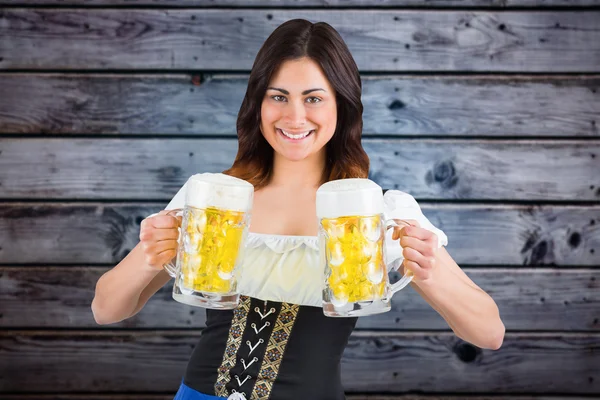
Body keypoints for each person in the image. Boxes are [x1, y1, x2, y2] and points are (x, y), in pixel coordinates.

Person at [91, 19, 505, 400]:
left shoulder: (373, 213)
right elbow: (107, 309)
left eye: (313, 98)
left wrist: (428, 272)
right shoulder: (215, 200)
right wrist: (150, 257)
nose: (294, 116)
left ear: (341, 106)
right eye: (279, 96)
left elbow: (489, 332)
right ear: (259, 103)